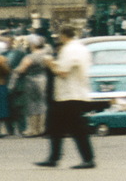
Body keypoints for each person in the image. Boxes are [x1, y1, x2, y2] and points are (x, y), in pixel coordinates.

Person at [38, 25, 97, 169]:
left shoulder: (69, 49)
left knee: (77, 128)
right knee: (57, 126)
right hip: (76, 92)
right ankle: (54, 157)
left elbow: (62, 72)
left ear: (63, 35)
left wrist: (50, 63)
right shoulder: (82, 49)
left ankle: (88, 159)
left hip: (69, 94)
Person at [11, 37, 51, 136]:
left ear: (33, 45)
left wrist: (16, 70)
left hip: (31, 81)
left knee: (31, 105)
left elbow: (22, 69)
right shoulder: (46, 55)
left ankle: (32, 129)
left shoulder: (30, 57)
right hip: (43, 79)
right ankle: (41, 128)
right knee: (42, 104)